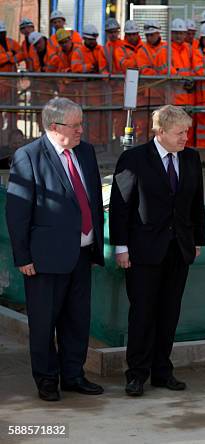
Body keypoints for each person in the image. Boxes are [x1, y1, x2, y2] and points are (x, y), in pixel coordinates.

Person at [5, 97, 105, 401]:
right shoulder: (28, 156)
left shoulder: (85, 152)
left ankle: (73, 375)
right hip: (44, 259)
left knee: (77, 320)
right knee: (44, 322)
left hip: (82, 254)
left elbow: (91, 199)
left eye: (81, 124)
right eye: (75, 126)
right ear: (53, 126)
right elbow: (17, 211)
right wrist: (22, 256)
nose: (81, 131)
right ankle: (47, 379)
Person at [109, 105, 205, 397]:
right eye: (179, 133)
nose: (185, 137)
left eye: (187, 131)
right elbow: (120, 206)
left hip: (178, 250)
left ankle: (162, 371)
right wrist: (121, 247)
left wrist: (197, 241)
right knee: (142, 314)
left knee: (169, 313)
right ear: (160, 132)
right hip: (142, 252)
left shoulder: (191, 158)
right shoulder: (134, 159)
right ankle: (136, 374)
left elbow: (196, 204)